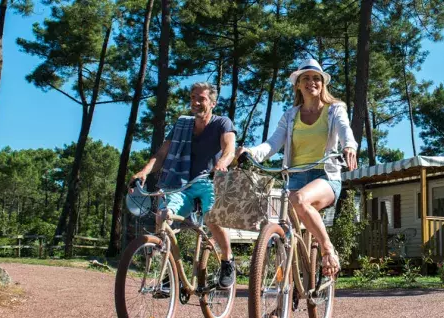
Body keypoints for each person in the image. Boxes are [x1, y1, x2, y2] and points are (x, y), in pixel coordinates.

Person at [239, 58, 358, 277]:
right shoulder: (290, 115)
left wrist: (349, 146)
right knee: (285, 233)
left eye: (316, 78)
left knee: (300, 200)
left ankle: (328, 249)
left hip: (325, 176)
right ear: (298, 85)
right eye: (306, 78)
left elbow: (345, 130)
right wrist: (251, 152)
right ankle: (286, 287)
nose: (311, 82)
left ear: (323, 83)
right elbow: (273, 144)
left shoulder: (334, 110)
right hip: (295, 177)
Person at [131, 82, 238, 289]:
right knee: (163, 216)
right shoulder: (182, 125)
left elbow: (229, 149)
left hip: (208, 180)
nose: (195, 102)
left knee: (212, 217)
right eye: (192, 98)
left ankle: (227, 260)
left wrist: (221, 164)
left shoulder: (222, 123)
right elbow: (162, 154)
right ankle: (170, 272)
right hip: (180, 183)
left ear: (213, 103)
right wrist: (144, 172)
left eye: (201, 98)